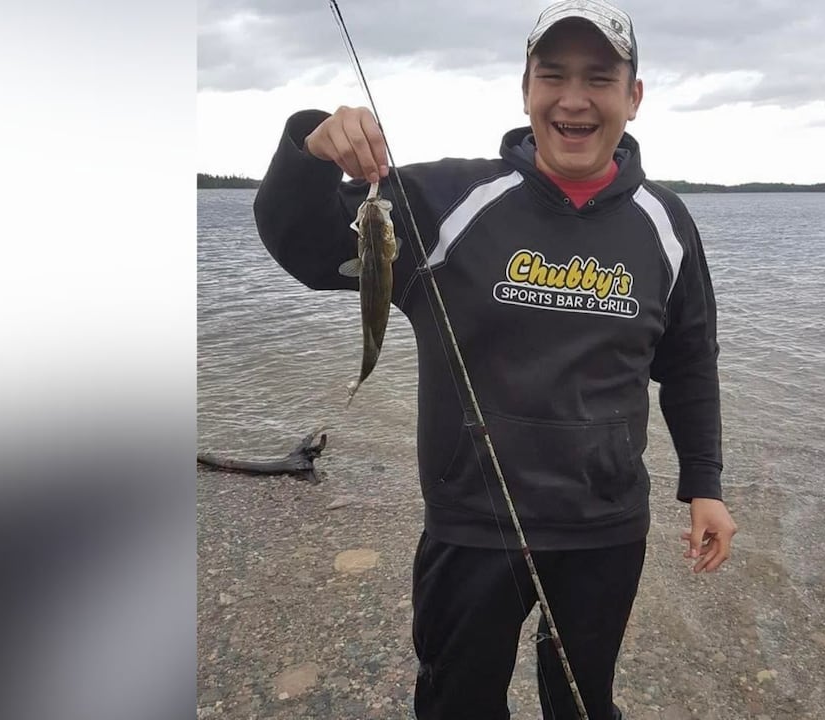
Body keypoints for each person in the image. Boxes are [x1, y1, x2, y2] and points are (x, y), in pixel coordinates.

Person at [252, 1, 736, 717]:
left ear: (633, 97)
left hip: (605, 526)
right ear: (525, 90)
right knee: (457, 702)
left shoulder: (666, 223)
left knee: (581, 698)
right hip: (471, 523)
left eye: (599, 78)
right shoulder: (440, 201)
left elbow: (691, 360)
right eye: (553, 75)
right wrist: (311, 149)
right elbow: (304, 245)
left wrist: (705, 484)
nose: (574, 98)